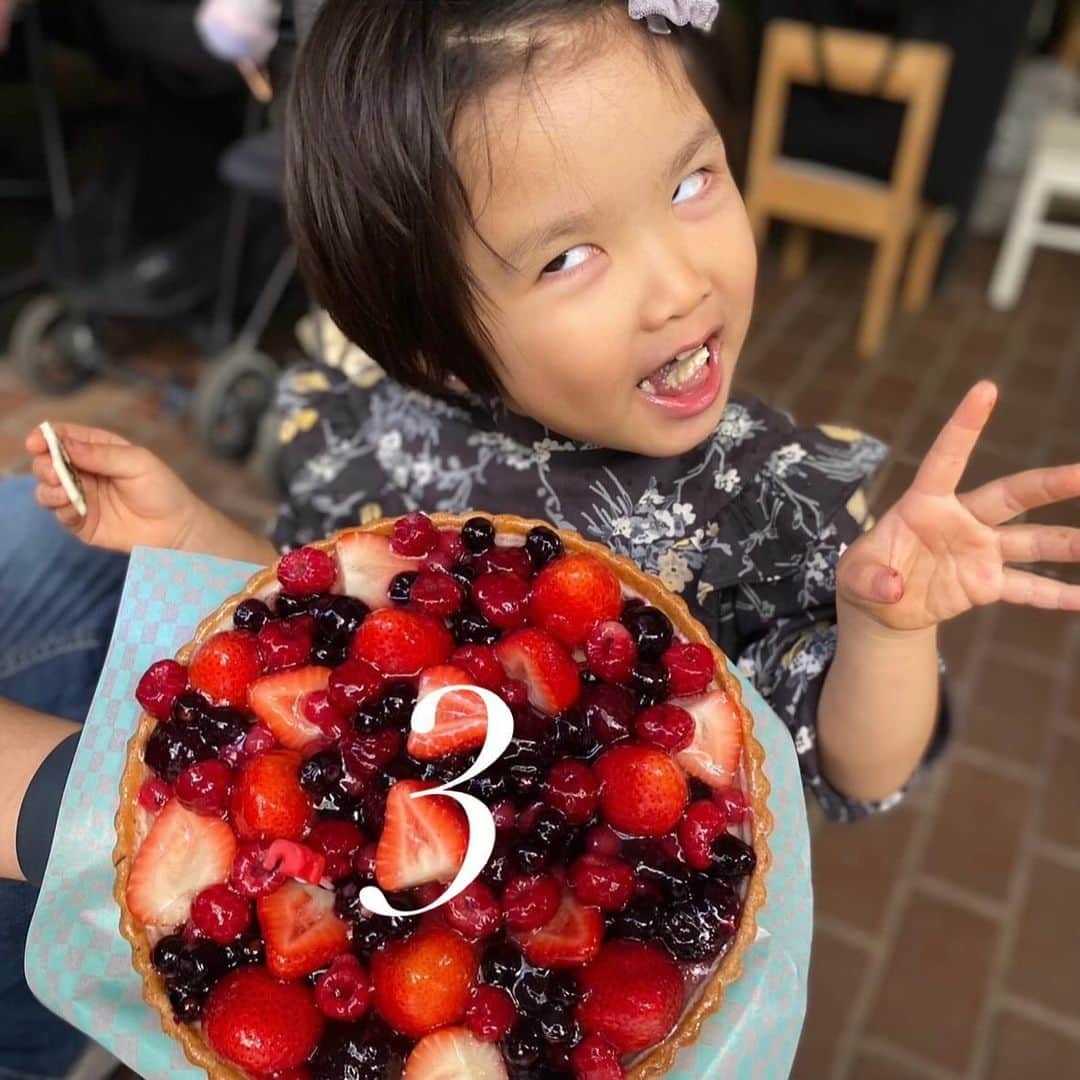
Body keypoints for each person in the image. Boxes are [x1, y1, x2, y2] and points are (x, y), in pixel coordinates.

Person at [3, 0, 1079, 1069]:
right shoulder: (385, 428)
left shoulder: (760, 497)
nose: (681, 281)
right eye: (568, 256)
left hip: (600, 944)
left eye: (692, 181)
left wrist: (885, 630)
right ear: (440, 344)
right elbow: (339, 644)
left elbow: (850, 762)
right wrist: (192, 526)